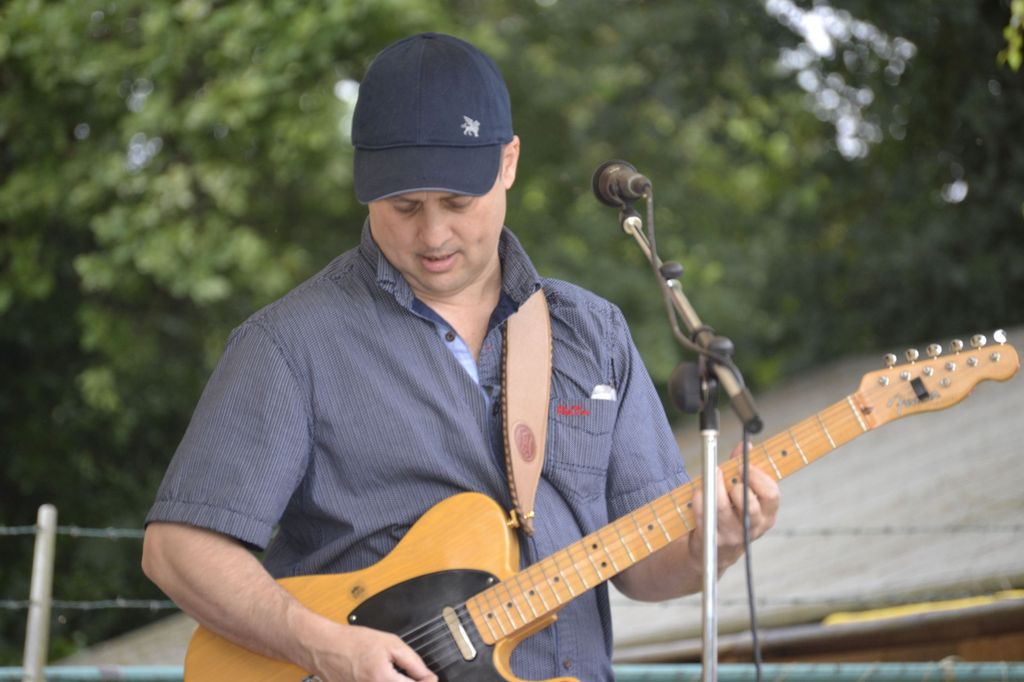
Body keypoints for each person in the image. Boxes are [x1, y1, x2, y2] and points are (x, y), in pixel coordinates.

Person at [141, 32, 779, 682]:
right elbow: (177, 550)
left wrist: (715, 545)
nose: (433, 234)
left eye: (456, 202)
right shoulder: (288, 345)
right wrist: (321, 645)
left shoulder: (594, 333)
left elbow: (644, 569)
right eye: (404, 206)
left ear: (508, 162)